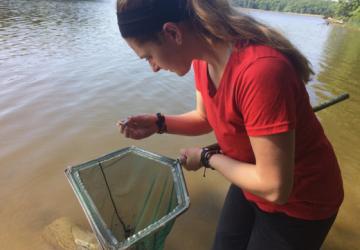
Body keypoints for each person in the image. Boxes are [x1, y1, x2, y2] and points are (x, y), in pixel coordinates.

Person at [115, 0, 344, 249]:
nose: (154, 68)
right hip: (251, 176)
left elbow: (275, 187)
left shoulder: (260, 71)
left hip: (301, 201)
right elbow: (205, 118)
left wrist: (206, 158)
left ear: (172, 33)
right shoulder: (204, 59)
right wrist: (159, 123)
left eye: (149, 56)